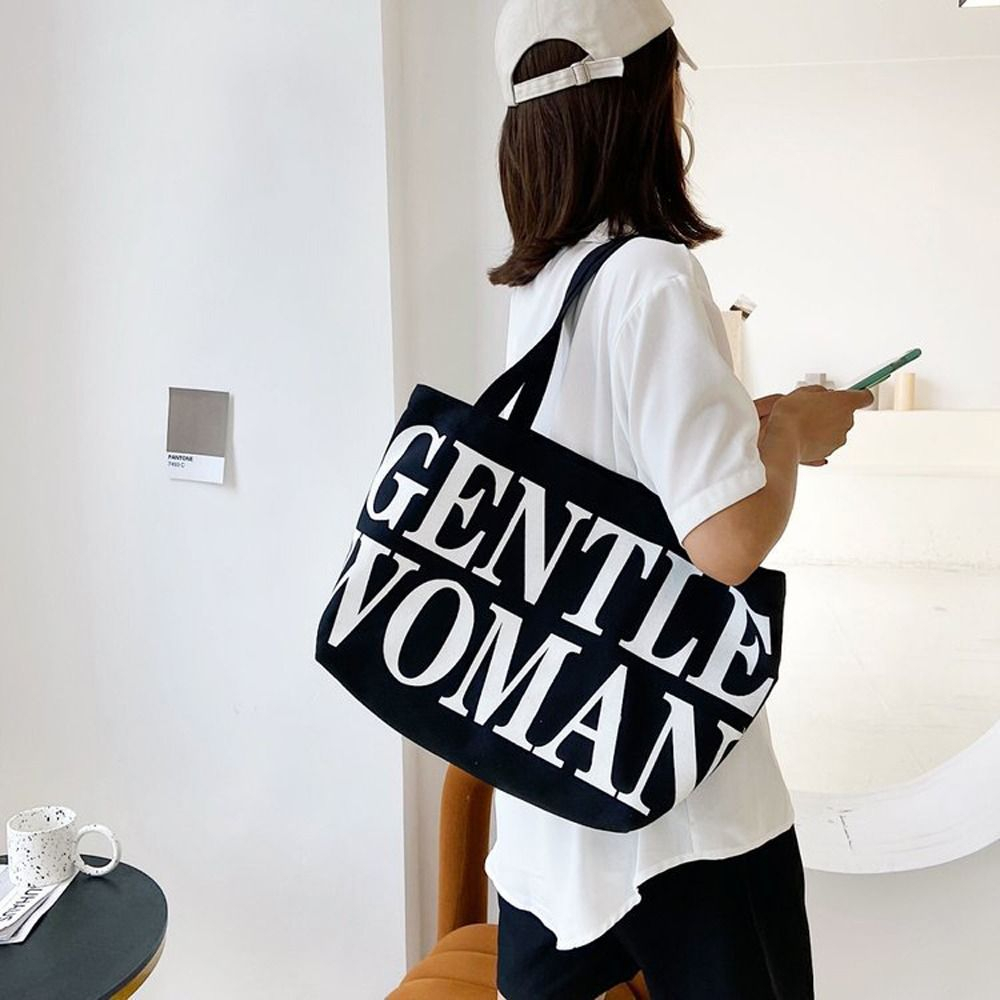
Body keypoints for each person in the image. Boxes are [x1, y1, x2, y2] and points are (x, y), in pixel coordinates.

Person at [485, 3, 874, 999]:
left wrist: (736, 429)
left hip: (556, 766)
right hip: (683, 790)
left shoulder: (541, 285)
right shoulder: (653, 274)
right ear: (642, 100)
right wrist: (790, 433)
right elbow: (726, 543)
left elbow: (609, 472)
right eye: (673, 76)